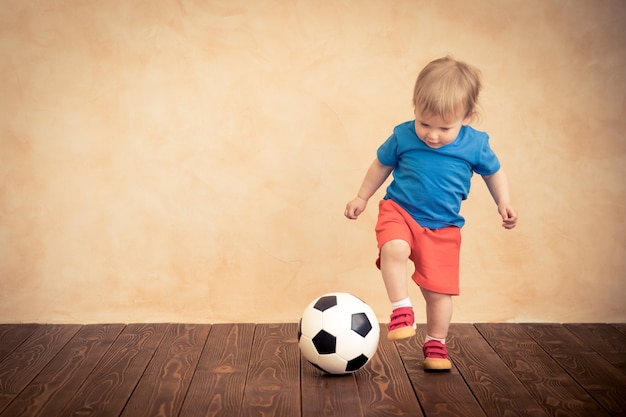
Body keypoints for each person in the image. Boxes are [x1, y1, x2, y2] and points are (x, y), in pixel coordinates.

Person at [344, 56, 518, 371]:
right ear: (414, 108)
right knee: (393, 247)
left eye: (443, 128)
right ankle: (401, 309)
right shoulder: (403, 135)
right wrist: (362, 196)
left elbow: (494, 173)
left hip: (443, 228)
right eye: (424, 124)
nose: (432, 135)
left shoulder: (475, 145)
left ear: (468, 116)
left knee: (438, 293)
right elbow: (381, 165)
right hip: (400, 211)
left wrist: (502, 201)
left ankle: (436, 342)